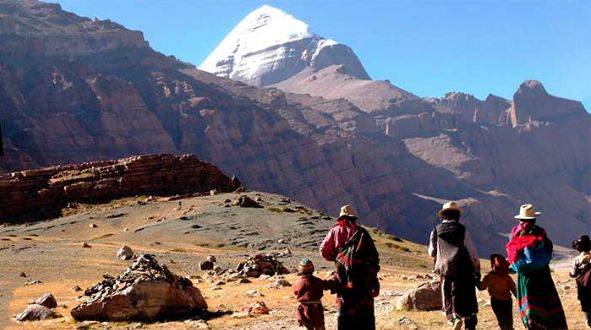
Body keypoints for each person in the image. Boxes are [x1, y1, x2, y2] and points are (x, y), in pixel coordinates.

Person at [505, 204, 567, 329]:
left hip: (525, 277)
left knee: (530, 307)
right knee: (548, 306)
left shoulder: (514, 233)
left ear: (520, 219)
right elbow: (549, 250)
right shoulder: (541, 232)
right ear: (534, 219)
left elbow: (512, 254)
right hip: (542, 275)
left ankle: (533, 325)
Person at [319, 205, 380, 330]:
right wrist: (373, 277)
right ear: (354, 218)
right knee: (364, 314)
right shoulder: (362, 233)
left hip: (344, 279)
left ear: (341, 217)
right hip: (363, 281)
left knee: (345, 310)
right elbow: (373, 257)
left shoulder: (334, 231)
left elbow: (323, 251)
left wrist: (338, 259)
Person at [428, 201, 480, 330]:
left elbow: (431, 252)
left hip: (445, 269)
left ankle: (453, 317)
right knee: (467, 296)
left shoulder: (436, 230)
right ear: (457, 215)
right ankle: (469, 321)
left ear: (443, 215)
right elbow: (471, 251)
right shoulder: (462, 229)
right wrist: (477, 267)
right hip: (464, 269)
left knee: (448, 293)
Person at [292, 258, 338, 330]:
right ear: (312, 269)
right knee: (319, 326)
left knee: (308, 326)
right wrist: (334, 279)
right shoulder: (316, 281)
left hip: (303, 308)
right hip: (316, 307)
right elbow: (326, 285)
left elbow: (295, 292)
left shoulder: (297, 283)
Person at [477, 254, 516, 330]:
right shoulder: (506, 277)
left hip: (496, 302)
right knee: (508, 322)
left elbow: (482, 287)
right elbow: (514, 289)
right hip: (507, 301)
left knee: (501, 321)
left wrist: (476, 280)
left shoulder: (489, 277)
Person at [569, 235, 591, 328]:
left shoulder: (577, 260)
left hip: (583, 288)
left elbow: (573, 273)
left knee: (586, 306)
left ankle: (588, 322)